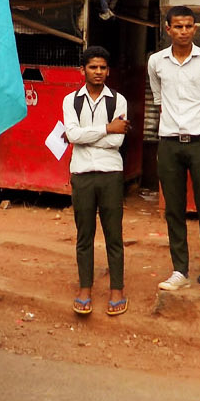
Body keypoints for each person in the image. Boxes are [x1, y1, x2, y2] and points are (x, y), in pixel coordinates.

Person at [148, 6, 200, 296]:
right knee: (174, 210)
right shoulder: (156, 61)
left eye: (189, 26)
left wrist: (196, 123)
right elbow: (159, 100)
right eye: (178, 26)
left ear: (195, 29)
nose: (184, 31)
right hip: (169, 142)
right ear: (168, 29)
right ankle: (180, 270)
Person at [63, 45, 128, 317]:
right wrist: (106, 128)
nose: (98, 72)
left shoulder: (118, 100)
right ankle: (85, 288)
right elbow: (72, 135)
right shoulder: (71, 100)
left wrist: (87, 136)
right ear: (83, 70)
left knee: (114, 234)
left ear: (108, 71)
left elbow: (117, 140)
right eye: (93, 67)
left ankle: (117, 289)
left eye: (102, 67)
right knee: (84, 235)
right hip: (81, 173)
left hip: (111, 172)